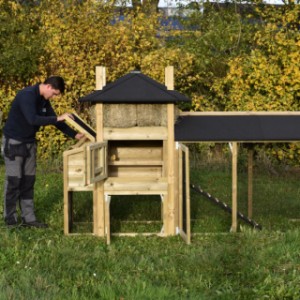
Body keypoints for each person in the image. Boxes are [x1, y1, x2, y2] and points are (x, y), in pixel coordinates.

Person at [1, 76, 84, 228]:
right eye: (54, 94)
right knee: (14, 182)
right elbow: (33, 119)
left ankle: (29, 219)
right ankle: (10, 220)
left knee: (28, 182)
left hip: (29, 143)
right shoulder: (26, 95)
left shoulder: (44, 100)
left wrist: (74, 134)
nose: (54, 97)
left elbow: (54, 120)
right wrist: (59, 118)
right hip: (14, 143)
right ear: (48, 87)